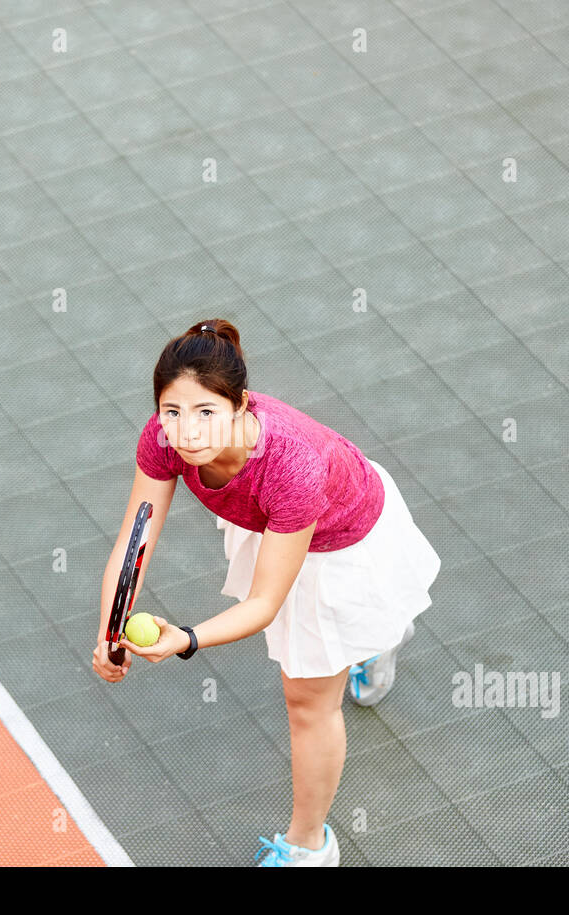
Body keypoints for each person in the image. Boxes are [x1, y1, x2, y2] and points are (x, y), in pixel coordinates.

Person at [92, 319, 441, 867]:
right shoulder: (163, 441)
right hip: (271, 527)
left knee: (306, 703)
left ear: (240, 406)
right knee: (319, 675)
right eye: (172, 412)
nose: (187, 432)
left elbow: (263, 605)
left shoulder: (288, 468)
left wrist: (183, 639)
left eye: (206, 413)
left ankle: (309, 848)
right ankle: (374, 634)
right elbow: (133, 544)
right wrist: (108, 632)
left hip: (343, 545)